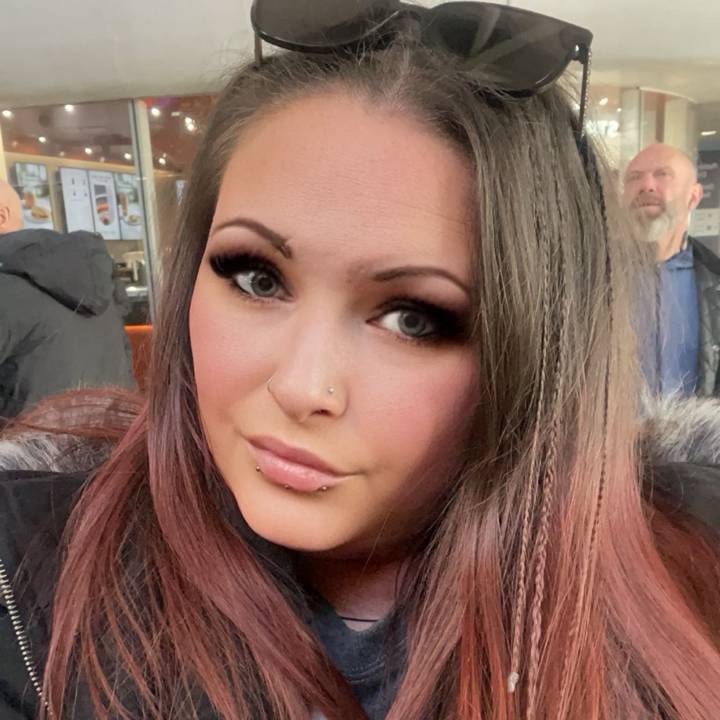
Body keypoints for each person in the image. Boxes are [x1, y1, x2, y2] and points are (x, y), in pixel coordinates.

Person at [2, 3, 720, 719]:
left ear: (540, 360)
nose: (299, 386)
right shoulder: (27, 577)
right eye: (257, 279)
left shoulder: (689, 584)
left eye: (412, 319)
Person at [0, 179, 136, 421]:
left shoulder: (8, 286)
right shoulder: (94, 278)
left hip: (33, 443)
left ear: (2, 216)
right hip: (113, 437)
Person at [623, 143, 720, 397]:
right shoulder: (589, 277)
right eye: (634, 177)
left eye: (662, 174)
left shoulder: (714, 279)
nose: (647, 185)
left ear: (694, 196)